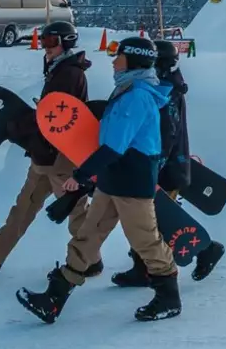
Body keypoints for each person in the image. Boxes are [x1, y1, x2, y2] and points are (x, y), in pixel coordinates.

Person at [16, 33, 180, 324]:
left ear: (133, 60)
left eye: (119, 56)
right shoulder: (127, 91)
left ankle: (169, 296)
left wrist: (80, 175)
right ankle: (54, 299)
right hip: (113, 178)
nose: (114, 61)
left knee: (145, 240)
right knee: (88, 235)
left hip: (132, 180)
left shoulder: (138, 97)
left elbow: (115, 146)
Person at [0, 19, 93, 277]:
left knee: (76, 213)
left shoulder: (69, 74)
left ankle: (89, 260)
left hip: (61, 158)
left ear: (66, 43)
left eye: (52, 42)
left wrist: (8, 130)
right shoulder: (58, 69)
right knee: (23, 209)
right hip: (44, 156)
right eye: (44, 41)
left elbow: (51, 118)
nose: (46, 47)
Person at [112, 38, 224, 287]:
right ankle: (141, 267)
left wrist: (153, 166)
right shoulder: (165, 85)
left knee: (159, 221)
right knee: (147, 220)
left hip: (164, 166)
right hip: (162, 164)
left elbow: (167, 134)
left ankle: (207, 249)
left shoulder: (167, 91)